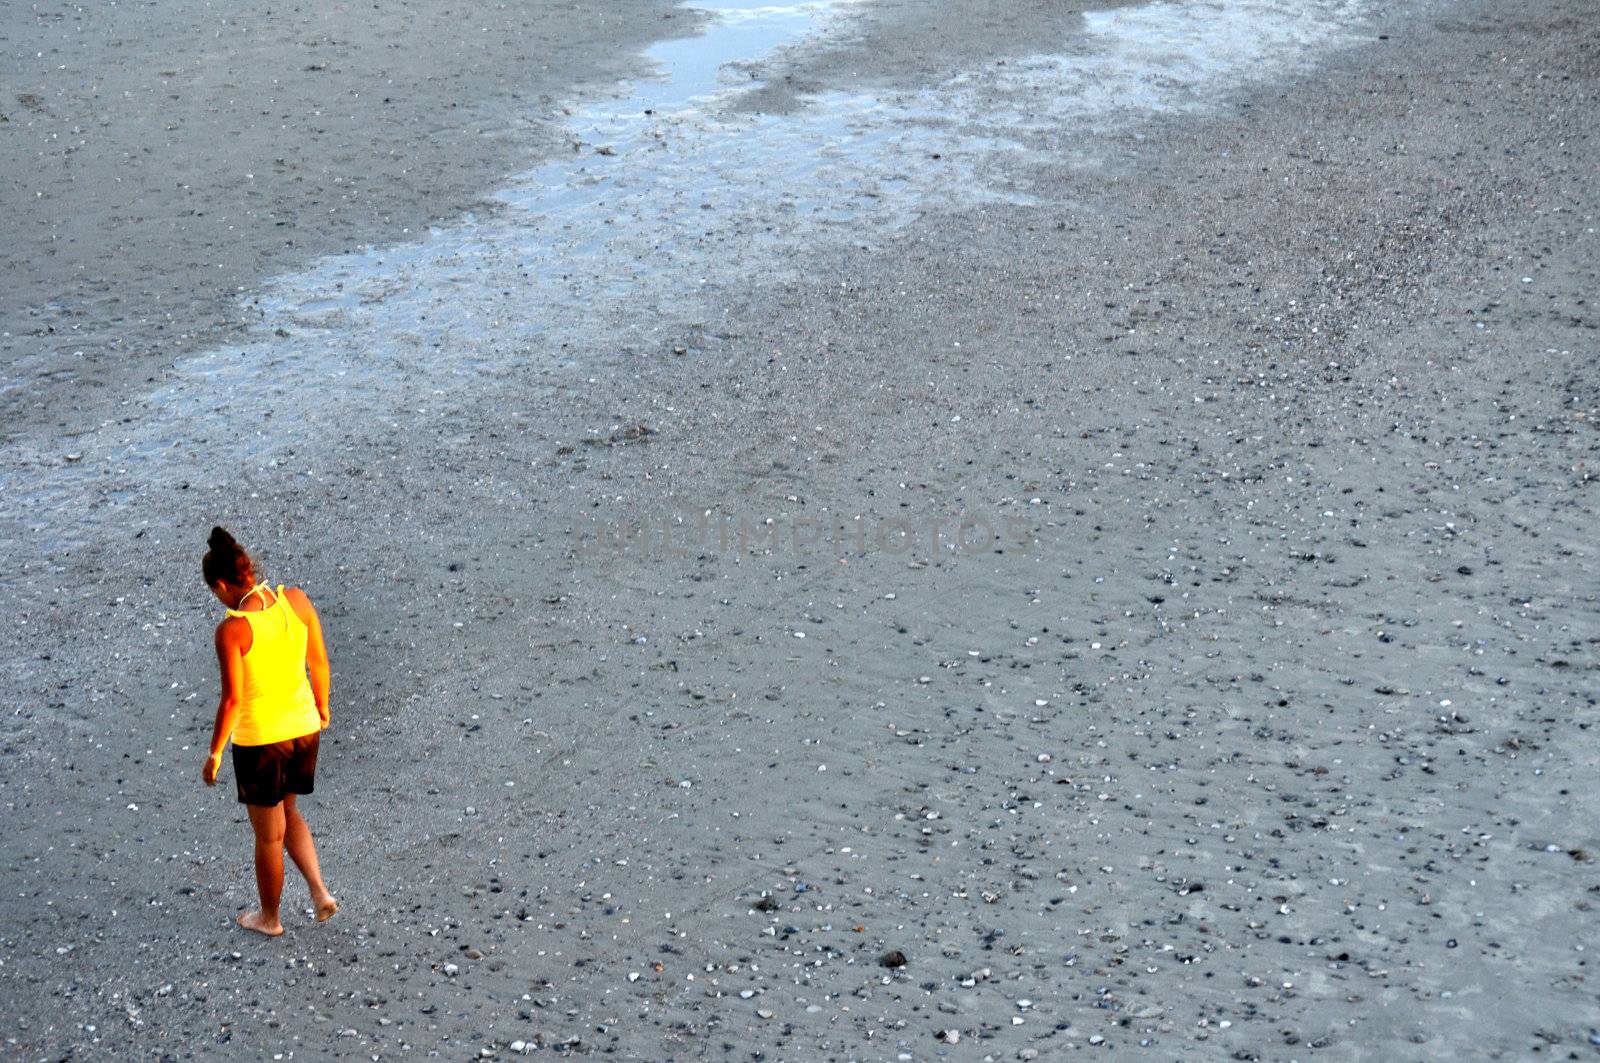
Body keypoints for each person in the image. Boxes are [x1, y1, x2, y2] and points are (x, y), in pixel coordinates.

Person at [201, 526, 338, 935]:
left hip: (261, 743)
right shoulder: (294, 600)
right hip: (304, 731)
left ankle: (270, 918)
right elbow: (320, 663)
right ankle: (319, 892)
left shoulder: (233, 630)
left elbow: (232, 701)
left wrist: (214, 754)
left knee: (267, 836)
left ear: (223, 584)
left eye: (216, 592)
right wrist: (323, 705)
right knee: (289, 810)